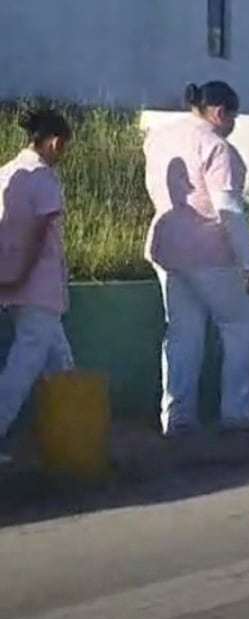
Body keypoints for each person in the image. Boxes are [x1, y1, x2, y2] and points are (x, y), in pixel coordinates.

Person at [142, 81, 249, 437]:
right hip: (210, 251)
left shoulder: (159, 138)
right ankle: (239, 412)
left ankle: (178, 416)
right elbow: (227, 208)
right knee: (239, 323)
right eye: (233, 118)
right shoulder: (216, 146)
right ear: (219, 112)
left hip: (166, 248)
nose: (233, 126)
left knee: (182, 333)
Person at [0, 110, 74, 462]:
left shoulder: (6, 173)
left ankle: (70, 428)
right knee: (23, 367)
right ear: (55, 142)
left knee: (60, 361)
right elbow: (39, 235)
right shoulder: (43, 179)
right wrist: (23, 273)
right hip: (37, 285)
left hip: (12, 284)